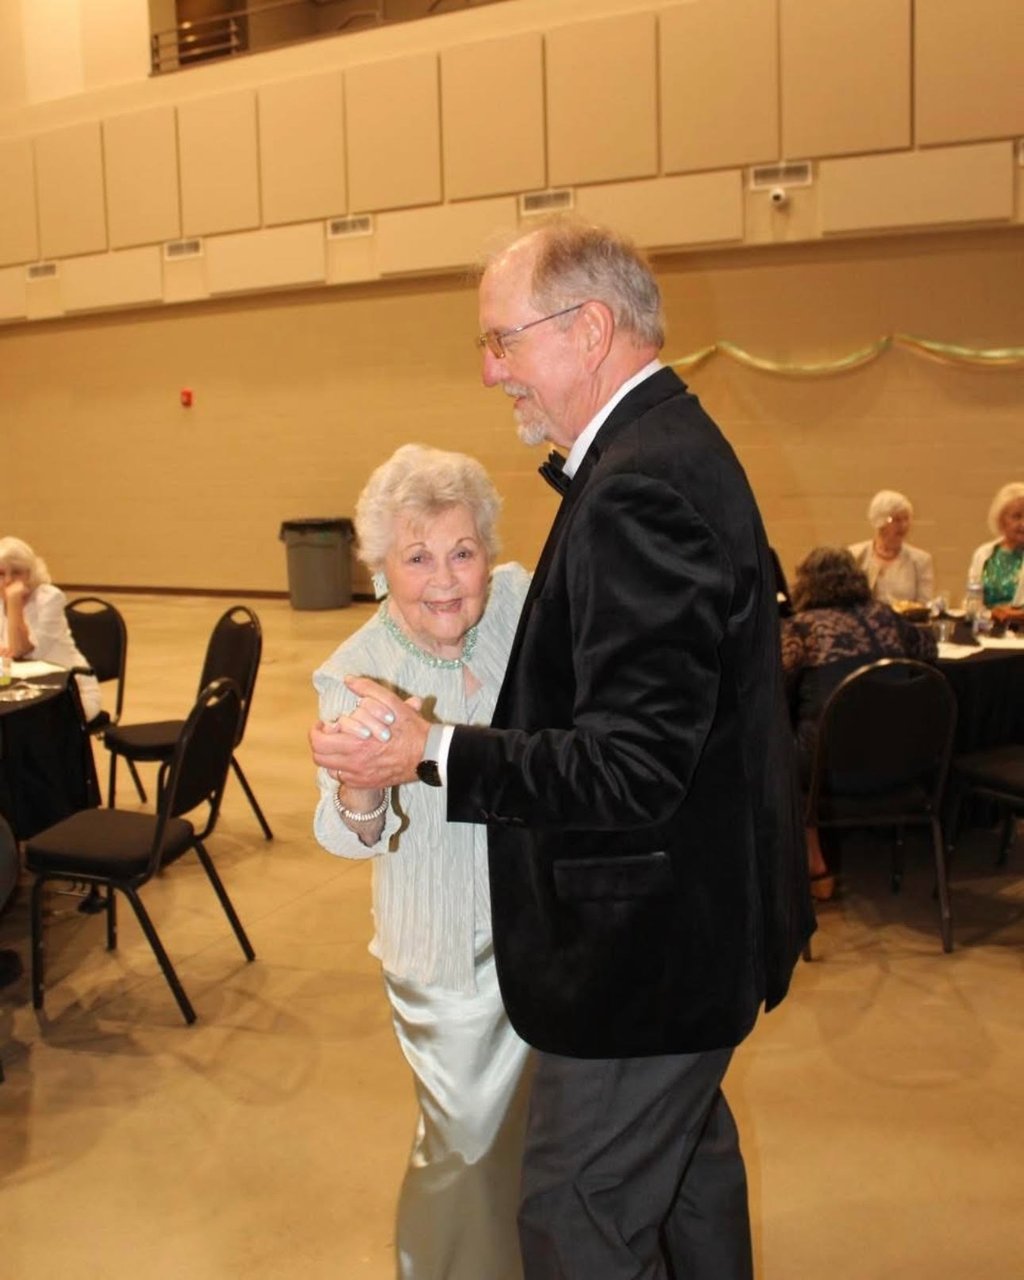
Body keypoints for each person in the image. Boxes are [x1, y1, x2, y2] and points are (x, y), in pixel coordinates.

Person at [311, 219, 813, 1280]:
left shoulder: (638, 487)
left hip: (644, 953)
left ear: (587, 329)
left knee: (575, 1218)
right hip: (689, 933)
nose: (491, 370)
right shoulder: (666, 448)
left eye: (503, 339)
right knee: (687, 1187)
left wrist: (434, 750)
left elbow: (632, 765)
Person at [310, 444, 532, 1280]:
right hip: (449, 958)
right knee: (463, 1152)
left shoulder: (515, 603)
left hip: (543, 931)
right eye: (417, 557)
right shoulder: (358, 674)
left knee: (535, 1141)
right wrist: (361, 788)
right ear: (380, 567)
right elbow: (344, 834)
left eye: (462, 552)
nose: (444, 580)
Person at [781, 546, 938, 900]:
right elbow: (930, 650)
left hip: (829, 770)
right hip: (904, 762)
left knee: (774, 749)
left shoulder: (800, 631)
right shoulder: (887, 618)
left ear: (805, 584)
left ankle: (814, 865)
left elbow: (772, 682)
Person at [0, 536, 101, 722]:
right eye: (1, 574)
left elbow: (22, 651)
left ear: (30, 573)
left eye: (16, 572)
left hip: (67, 694)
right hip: (18, 692)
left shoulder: (49, 598)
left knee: (19, 728)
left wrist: (14, 603)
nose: (8, 581)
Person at [848, 489, 934, 604]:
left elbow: (924, 605)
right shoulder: (854, 556)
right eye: (896, 520)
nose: (903, 525)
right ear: (879, 522)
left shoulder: (921, 561)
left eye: (906, 519)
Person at [967, 481, 1024, 625]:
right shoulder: (983, 554)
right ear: (1001, 520)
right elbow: (972, 600)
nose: (1023, 524)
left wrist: (1015, 615)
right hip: (986, 630)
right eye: (1017, 517)